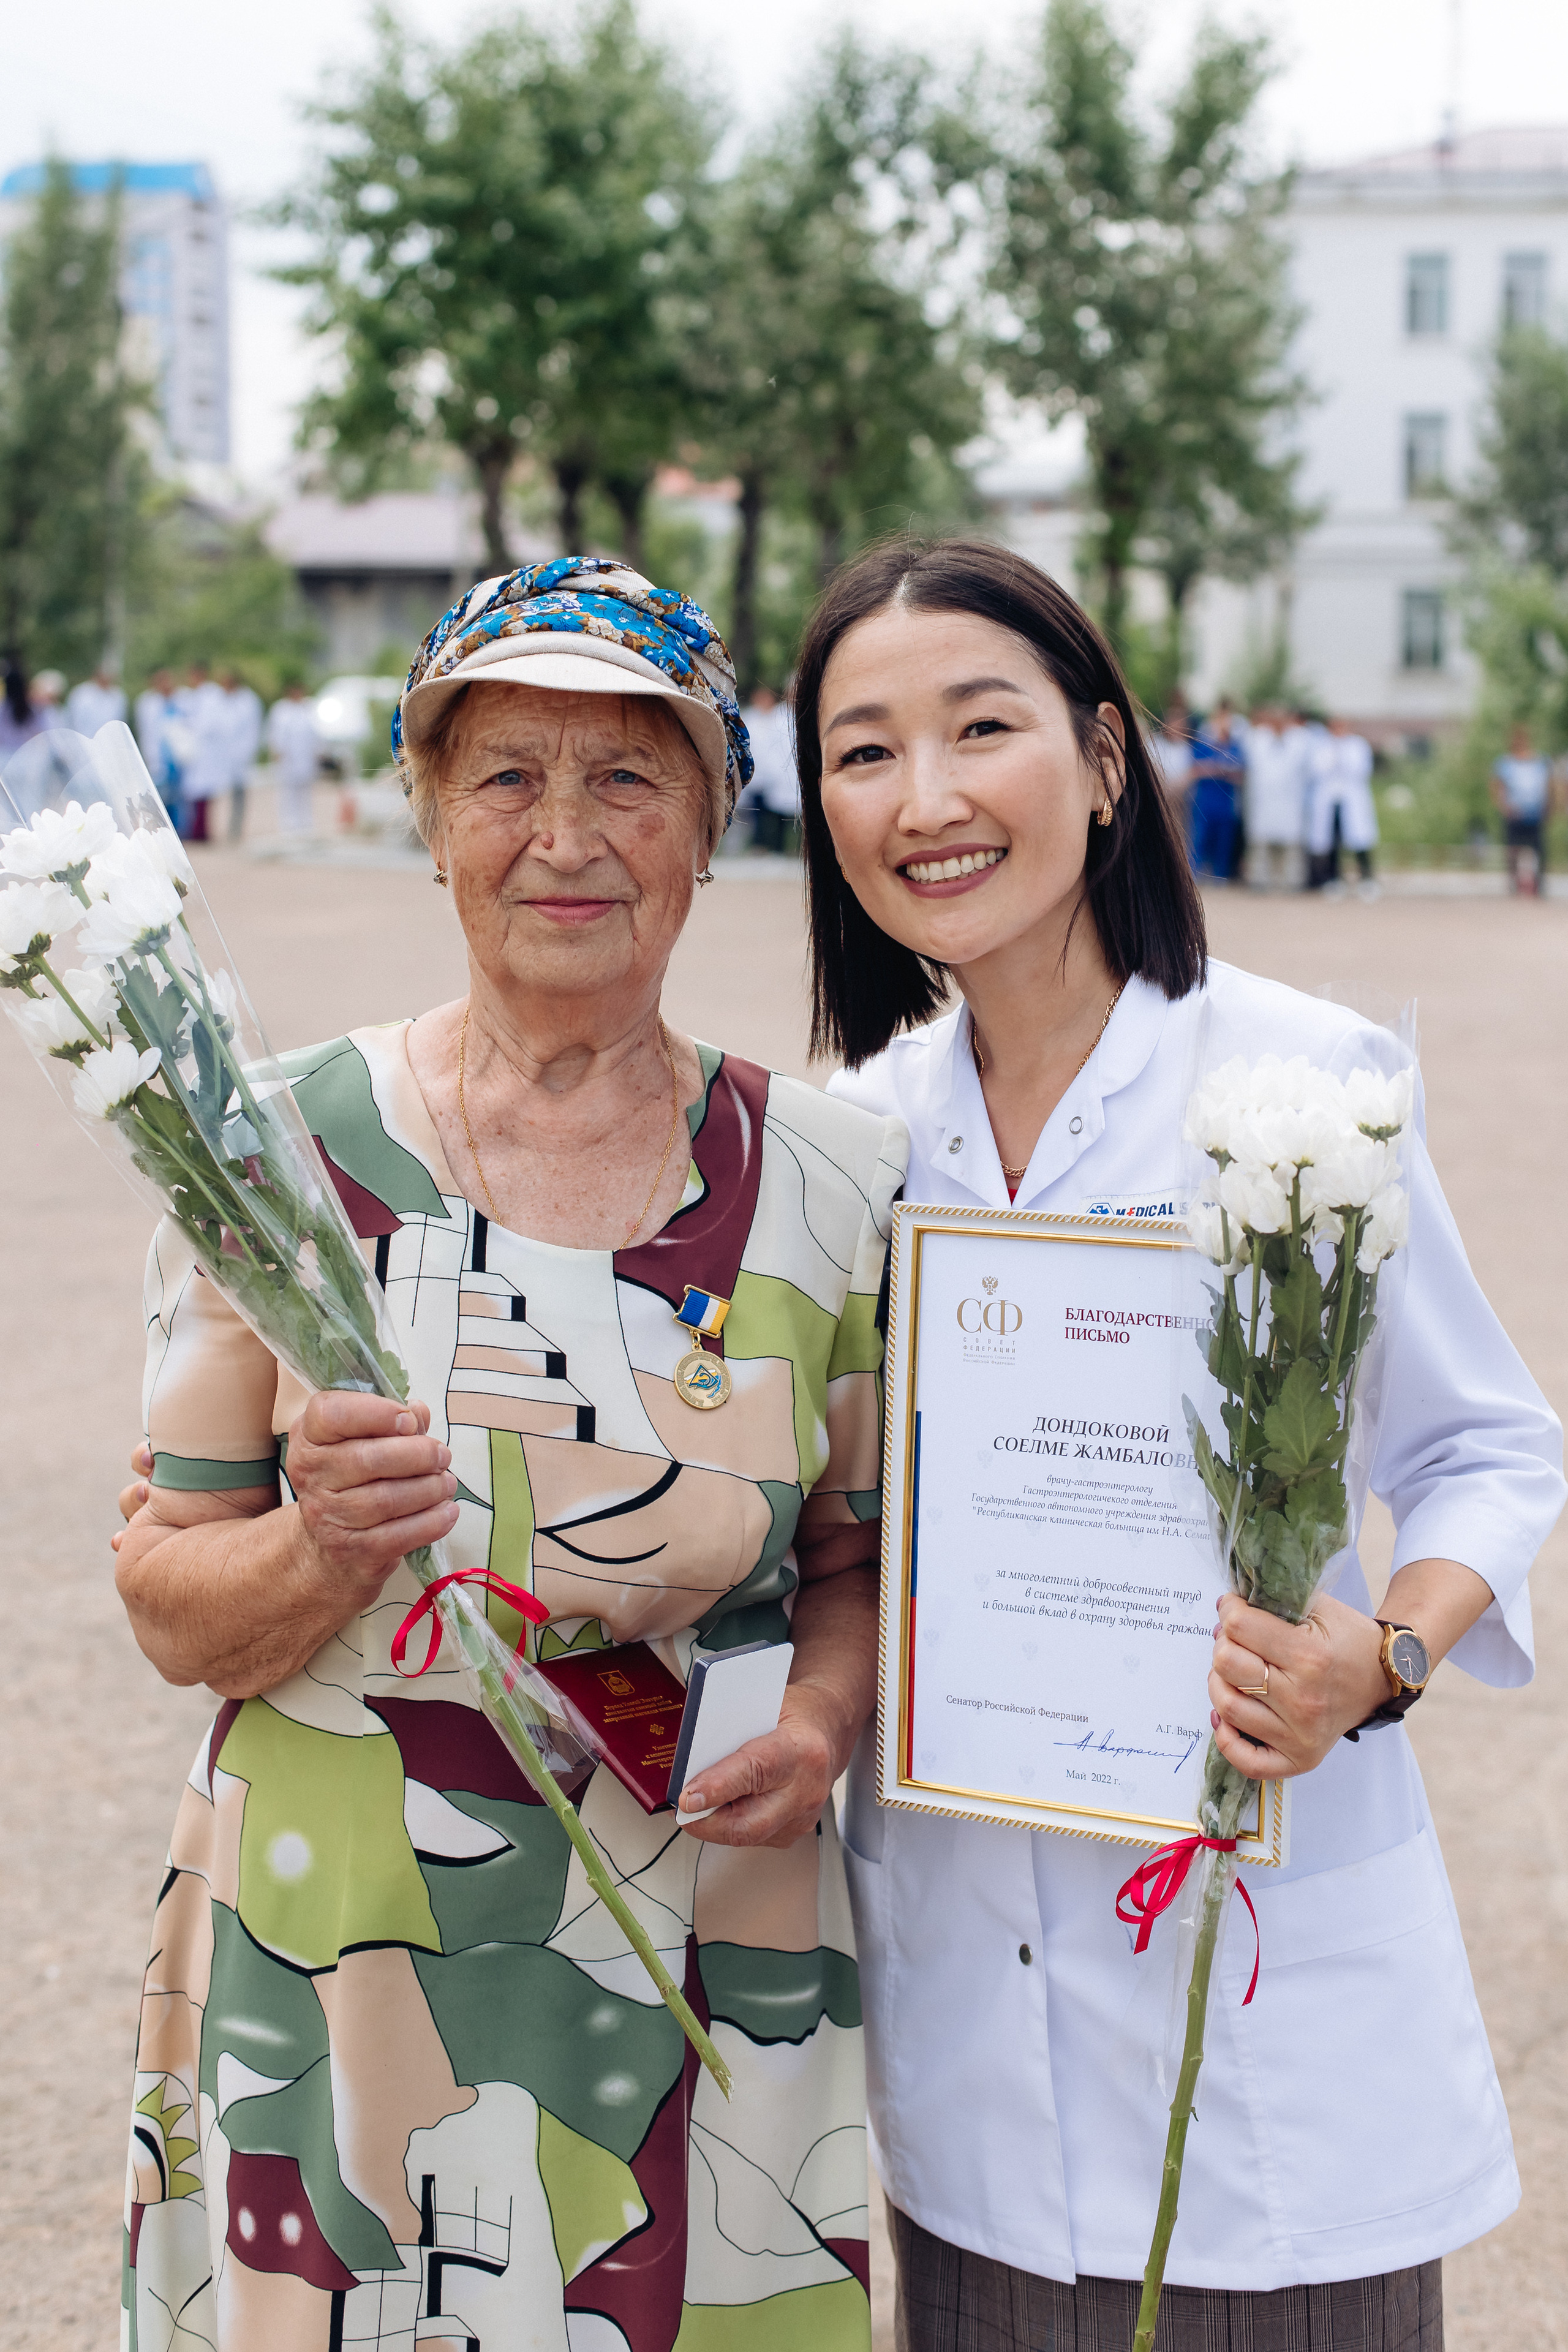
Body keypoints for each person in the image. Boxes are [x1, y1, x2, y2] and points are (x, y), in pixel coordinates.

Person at [110, 557, 904, 2346]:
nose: (567, 835)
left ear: (712, 823)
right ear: (429, 815)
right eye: (505, 776)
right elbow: (172, 1596)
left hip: (703, 1978)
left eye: (629, 776)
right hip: (338, 1976)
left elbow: (851, 1560)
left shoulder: (838, 1181)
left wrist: (821, 1720)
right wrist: (317, 1545)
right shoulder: (275, 1146)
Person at [790, 537, 1562, 2351]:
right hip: (973, 2073)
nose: (927, 797)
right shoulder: (841, 1141)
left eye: (981, 726)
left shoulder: (1301, 1086)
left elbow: (1487, 1447)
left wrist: (1370, 1657)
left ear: (1106, 757)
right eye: (861, 749)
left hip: (1276, 2060)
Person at [1307, 715, 1379, 899]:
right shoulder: (1322, 745)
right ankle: (1334, 879)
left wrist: (1341, 757)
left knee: (1360, 842)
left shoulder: (1357, 745)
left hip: (1351, 800)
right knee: (1332, 843)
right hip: (1330, 801)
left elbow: (1361, 769)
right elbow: (1317, 769)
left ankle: (1367, 879)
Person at [1242, 701, 1308, 888]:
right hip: (1264, 799)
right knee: (1261, 842)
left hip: (1290, 799)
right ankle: (1259, 880)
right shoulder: (1257, 738)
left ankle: (1291, 882)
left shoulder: (1299, 740)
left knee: (1290, 844)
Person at [1490, 722, 1555, 895]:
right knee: (1513, 851)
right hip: (1515, 813)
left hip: (1535, 812)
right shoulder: (1505, 763)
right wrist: (1505, 806)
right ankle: (1513, 882)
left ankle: (1539, 883)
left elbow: (1548, 786)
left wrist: (1549, 806)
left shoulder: (1541, 761)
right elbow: (1498, 788)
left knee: (1539, 850)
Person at [1185, 700, 1245, 882]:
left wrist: (1215, 769)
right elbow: (1195, 770)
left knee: (1224, 842)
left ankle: (1220, 876)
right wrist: (1220, 769)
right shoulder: (1204, 745)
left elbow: (1241, 774)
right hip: (1205, 802)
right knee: (1199, 839)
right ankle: (1194, 875)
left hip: (1225, 803)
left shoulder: (1235, 747)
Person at [742, 681, 801, 853]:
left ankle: (793, 849)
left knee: (793, 814)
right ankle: (767, 846)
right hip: (771, 773)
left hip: (789, 773)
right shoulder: (775, 716)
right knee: (768, 814)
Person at [176, 661, 230, 843]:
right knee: (194, 793)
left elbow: (209, 724)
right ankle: (196, 830)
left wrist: (192, 728)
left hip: (207, 750)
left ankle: (201, 832)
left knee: (203, 794)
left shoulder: (211, 694)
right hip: (196, 751)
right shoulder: (192, 695)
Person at [264, 677, 323, 833]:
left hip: (306, 757)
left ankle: (305, 822)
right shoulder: (281, 710)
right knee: (288, 791)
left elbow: (316, 734)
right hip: (287, 758)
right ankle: (288, 823)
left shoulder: (309, 708)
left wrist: (318, 752)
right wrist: (277, 751)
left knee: (305, 791)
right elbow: (275, 734)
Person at [134, 668, 187, 832]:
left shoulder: (180, 699)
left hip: (176, 757)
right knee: (158, 796)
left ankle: (177, 830)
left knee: (178, 797)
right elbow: (146, 731)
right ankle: (159, 829)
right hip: (157, 756)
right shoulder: (147, 703)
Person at [219, 665, 265, 842]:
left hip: (242, 755)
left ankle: (236, 829)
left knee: (239, 794)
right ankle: (228, 829)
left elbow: (253, 730)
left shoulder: (249, 701)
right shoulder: (221, 700)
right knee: (225, 794)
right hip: (225, 756)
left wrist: (247, 752)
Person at [0, 664, 61, 763]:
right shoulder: (37, 709)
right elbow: (49, 736)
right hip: (30, 763)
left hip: (5, 763)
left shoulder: (4, 709)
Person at [65, 662, 127, 737]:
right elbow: (71, 720)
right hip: (83, 739)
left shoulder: (118, 695)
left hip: (109, 742)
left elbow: (120, 722)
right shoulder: (81, 693)